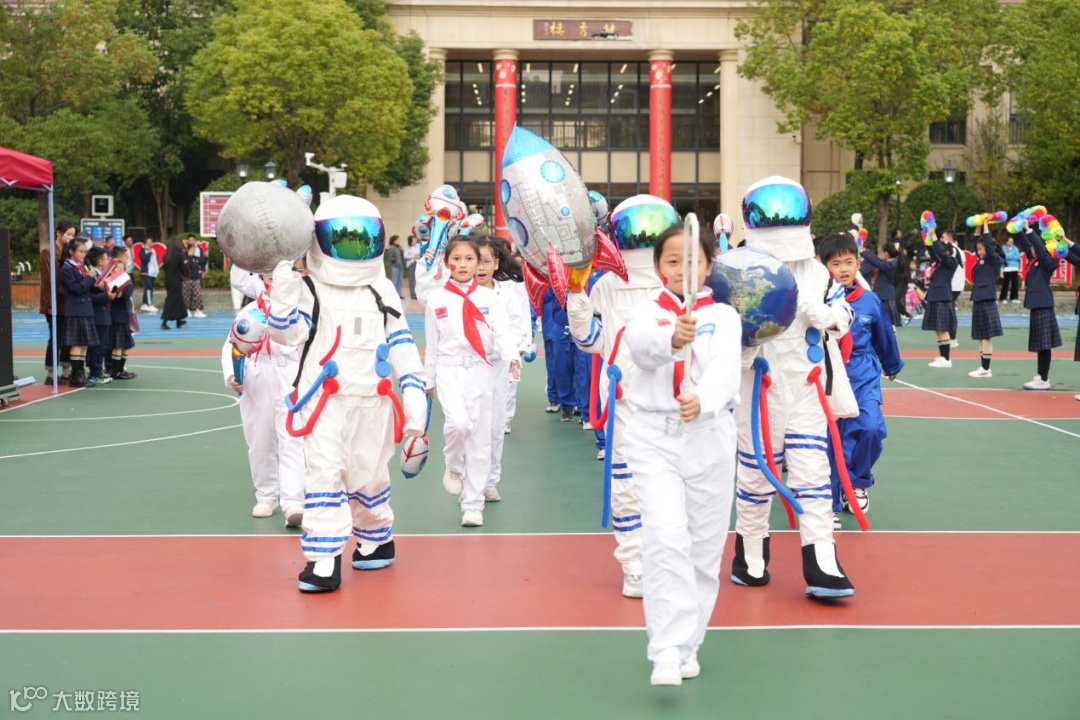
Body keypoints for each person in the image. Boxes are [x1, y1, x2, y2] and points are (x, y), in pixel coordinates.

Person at [268, 194, 428, 593]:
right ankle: (324, 560)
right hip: (325, 401)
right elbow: (286, 335)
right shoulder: (308, 287)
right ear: (319, 241)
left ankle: (376, 538)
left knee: (369, 475)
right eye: (343, 239)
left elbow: (403, 347)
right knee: (324, 474)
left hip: (374, 399)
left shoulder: (382, 290)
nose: (355, 247)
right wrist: (283, 292)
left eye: (363, 238)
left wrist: (416, 413)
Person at [623, 225, 740, 686]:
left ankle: (690, 645)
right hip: (655, 437)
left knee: (705, 548)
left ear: (709, 268)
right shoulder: (646, 312)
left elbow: (726, 370)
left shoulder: (725, 317)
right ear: (658, 267)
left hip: (710, 436)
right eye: (672, 261)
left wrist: (704, 399)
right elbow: (641, 349)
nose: (682, 270)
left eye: (693, 261)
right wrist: (672, 339)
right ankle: (667, 650)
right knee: (666, 538)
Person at [730, 176, 855, 599]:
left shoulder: (819, 274)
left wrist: (813, 309)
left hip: (805, 385)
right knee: (756, 474)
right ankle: (750, 555)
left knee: (813, 473)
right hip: (758, 387)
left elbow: (843, 318)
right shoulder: (738, 270)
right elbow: (723, 331)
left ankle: (821, 560)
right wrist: (745, 346)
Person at [567, 194, 675, 599]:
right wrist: (577, 298)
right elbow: (590, 340)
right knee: (627, 485)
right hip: (626, 401)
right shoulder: (607, 286)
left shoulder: (682, 285)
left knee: (673, 484)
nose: (644, 238)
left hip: (673, 401)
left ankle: (666, 558)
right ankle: (634, 563)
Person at [424, 236, 519, 527]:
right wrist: (428, 380)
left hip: (481, 370)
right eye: (456, 259)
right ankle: (453, 465)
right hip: (449, 370)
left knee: (479, 439)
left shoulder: (490, 299)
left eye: (469, 259)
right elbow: (432, 344)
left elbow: (502, 332)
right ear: (447, 263)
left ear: (478, 263)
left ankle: (473, 503)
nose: (462, 264)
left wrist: (511, 356)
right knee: (458, 424)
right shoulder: (437, 299)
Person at [818, 233, 903, 529]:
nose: (843, 269)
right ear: (823, 266)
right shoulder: (818, 301)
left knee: (871, 428)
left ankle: (857, 480)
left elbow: (884, 335)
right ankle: (830, 505)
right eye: (835, 263)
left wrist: (892, 363)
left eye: (848, 262)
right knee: (831, 440)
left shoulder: (869, 300)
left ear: (857, 263)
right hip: (829, 373)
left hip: (863, 373)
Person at [222, 274, 305, 527]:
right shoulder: (251, 309)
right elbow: (232, 344)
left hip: (290, 374)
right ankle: (266, 495)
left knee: (292, 439)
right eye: (268, 275)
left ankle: (293, 501)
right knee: (259, 439)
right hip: (257, 374)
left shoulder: (300, 306)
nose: (274, 280)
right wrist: (232, 375)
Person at [471, 237, 531, 500]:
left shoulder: (506, 292)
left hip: (498, 367)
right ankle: (467, 476)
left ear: (496, 264)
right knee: (470, 426)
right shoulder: (459, 293)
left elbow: (518, 323)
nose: (480, 268)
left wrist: (515, 351)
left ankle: (489, 480)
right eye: (476, 261)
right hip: (468, 368)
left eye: (486, 261)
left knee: (495, 427)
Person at [1014, 223, 1061, 390]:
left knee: (1044, 343)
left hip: (1043, 305)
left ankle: (1044, 378)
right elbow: (1026, 244)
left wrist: (1029, 230)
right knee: (1041, 343)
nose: (1032, 249)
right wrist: (1018, 228)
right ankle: (1041, 375)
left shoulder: (1047, 262)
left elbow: (1039, 248)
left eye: (1035, 247)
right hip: (1036, 305)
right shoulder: (1033, 261)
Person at [59, 237, 99, 388]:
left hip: (86, 308)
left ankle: (80, 374)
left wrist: (97, 283)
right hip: (76, 309)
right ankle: (76, 376)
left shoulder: (83, 266)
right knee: (77, 342)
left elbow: (88, 286)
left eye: (84, 251)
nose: (84, 254)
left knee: (84, 343)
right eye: (80, 251)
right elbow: (76, 288)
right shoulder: (67, 268)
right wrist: (89, 278)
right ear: (71, 251)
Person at [40, 220, 76, 384]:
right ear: (58, 233)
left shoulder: (70, 253)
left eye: (73, 235)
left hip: (69, 302)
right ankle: (51, 373)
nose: (71, 238)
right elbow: (47, 281)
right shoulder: (48, 252)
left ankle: (66, 372)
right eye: (68, 234)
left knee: (68, 337)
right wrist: (49, 305)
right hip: (54, 302)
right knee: (56, 337)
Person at [967, 225, 1004, 378]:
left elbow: (987, 245)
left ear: (989, 249)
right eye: (978, 249)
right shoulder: (980, 260)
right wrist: (978, 229)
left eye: (981, 249)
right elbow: (977, 243)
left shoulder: (993, 260)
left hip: (987, 300)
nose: (979, 252)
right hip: (978, 300)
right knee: (980, 335)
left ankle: (986, 369)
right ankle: (983, 366)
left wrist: (987, 226)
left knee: (986, 335)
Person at [922, 228, 959, 368]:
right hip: (935, 296)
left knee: (943, 329)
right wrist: (927, 238)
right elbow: (933, 251)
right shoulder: (939, 262)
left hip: (942, 297)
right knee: (938, 329)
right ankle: (942, 356)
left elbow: (940, 253)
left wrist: (934, 235)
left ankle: (947, 358)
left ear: (947, 252)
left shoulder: (951, 261)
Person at [86, 246, 118, 385]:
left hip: (104, 314)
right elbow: (90, 296)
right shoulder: (92, 275)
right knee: (97, 346)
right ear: (100, 261)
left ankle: (98, 371)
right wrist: (106, 296)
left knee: (102, 345)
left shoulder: (102, 275)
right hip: (97, 314)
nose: (108, 260)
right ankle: (95, 373)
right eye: (106, 258)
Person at [106, 245, 137, 381]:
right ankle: (115, 370)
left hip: (123, 313)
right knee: (118, 344)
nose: (127, 260)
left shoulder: (123, 276)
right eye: (126, 257)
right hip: (117, 313)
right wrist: (126, 288)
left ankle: (119, 369)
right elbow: (123, 294)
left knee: (126, 343)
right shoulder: (111, 275)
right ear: (120, 258)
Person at [860, 242, 903, 327]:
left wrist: (863, 252)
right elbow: (877, 260)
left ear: (886, 253)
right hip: (883, 296)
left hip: (886, 296)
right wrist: (867, 252)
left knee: (889, 323)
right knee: (883, 323)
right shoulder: (889, 262)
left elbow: (877, 262)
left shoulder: (892, 264)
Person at [159, 239, 187, 330]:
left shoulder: (166, 256)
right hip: (176, 280)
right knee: (171, 300)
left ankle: (179, 320)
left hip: (168, 280)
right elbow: (183, 269)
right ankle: (164, 321)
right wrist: (187, 274)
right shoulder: (179, 256)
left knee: (177, 299)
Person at [946, 231, 966, 346]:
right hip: (955, 285)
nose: (941, 239)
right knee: (950, 310)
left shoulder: (953, 250)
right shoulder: (958, 250)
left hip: (953, 285)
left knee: (950, 311)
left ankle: (952, 338)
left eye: (943, 237)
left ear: (949, 238)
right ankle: (951, 336)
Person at [182, 237, 207, 318]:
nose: (193, 251)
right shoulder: (184, 258)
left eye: (194, 249)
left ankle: (198, 310)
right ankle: (186, 310)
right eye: (192, 249)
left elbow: (202, 262)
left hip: (196, 279)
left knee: (198, 295)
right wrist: (189, 257)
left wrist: (205, 257)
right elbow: (185, 267)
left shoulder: (196, 258)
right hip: (187, 280)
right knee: (186, 296)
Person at [138, 237, 159, 312]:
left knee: (149, 288)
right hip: (146, 272)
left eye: (151, 241)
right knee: (148, 288)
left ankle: (144, 304)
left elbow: (156, 259)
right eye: (149, 242)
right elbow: (145, 260)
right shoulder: (142, 251)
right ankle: (149, 304)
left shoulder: (153, 250)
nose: (151, 243)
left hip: (153, 272)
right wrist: (149, 252)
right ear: (145, 243)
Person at [999, 235, 1021, 304]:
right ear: (1006, 242)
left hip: (1014, 268)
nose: (1011, 243)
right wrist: (1011, 256)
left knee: (1015, 284)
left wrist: (1009, 255)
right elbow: (1004, 257)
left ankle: (1014, 298)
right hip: (1006, 269)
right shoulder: (1003, 248)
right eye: (1010, 241)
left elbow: (1017, 257)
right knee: (1005, 284)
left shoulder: (1015, 248)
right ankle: (1003, 298)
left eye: (1012, 241)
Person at [403, 236, 420, 300]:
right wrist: (413, 256)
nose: (415, 241)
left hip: (418, 264)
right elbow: (405, 256)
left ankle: (418, 293)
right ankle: (412, 294)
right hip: (411, 264)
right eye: (413, 240)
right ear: (410, 241)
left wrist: (418, 255)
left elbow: (421, 253)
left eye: (415, 240)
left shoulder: (418, 246)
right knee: (411, 280)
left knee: (418, 279)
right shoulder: (407, 247)